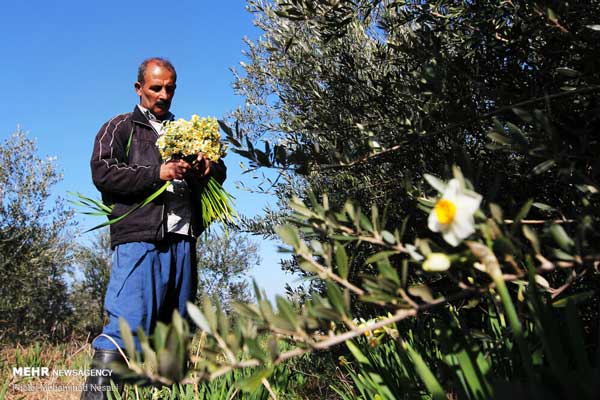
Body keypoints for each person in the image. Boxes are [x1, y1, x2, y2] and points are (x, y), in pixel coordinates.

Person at [82, 57, 226, 399]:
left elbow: (220, 177)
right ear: (139, 88)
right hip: (139, 241)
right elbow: (102, 172)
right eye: (155, 88)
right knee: (126, 326)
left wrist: (209, 168)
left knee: (177, 334)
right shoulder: (120, 127)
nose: (163, 95)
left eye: (169, 88)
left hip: (182, 240)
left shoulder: (187, 131)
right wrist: (156, 173)